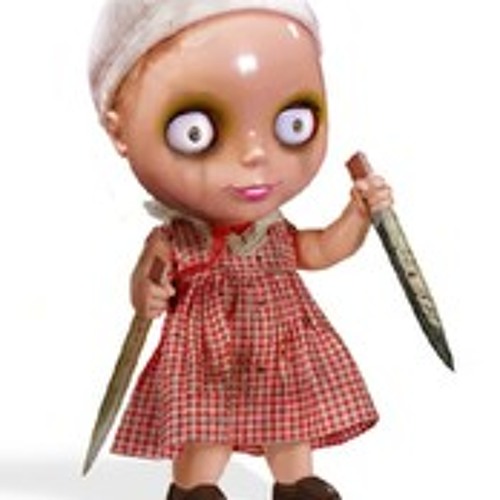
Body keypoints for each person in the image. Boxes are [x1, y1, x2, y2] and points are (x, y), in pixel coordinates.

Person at [88, 1, 393, 498]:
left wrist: (356, 215)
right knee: (206, 432)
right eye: (196, 133)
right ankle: (195, 489)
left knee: (290, 422)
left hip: (279, 351)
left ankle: (295, 482)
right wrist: (148, 291)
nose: (254, 155)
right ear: (119, 131)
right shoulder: (177, 239)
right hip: (207, 358)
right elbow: (148, 283)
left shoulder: (273, 230)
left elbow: (318, 250)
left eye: (293, 123)